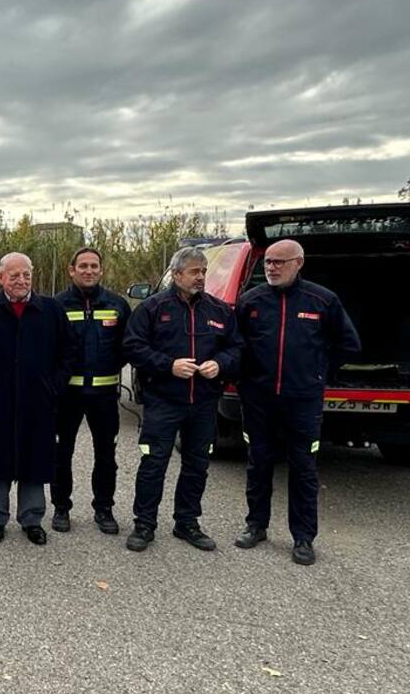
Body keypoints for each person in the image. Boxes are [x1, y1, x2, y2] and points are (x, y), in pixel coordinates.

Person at [234, 239, 360, 565]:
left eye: (279, 262)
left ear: (299, 263)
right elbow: (236, 346)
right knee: (258, 463)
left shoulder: (322, 300)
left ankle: (303, 537)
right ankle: (256, 525)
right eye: (268, 262)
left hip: (302, 401)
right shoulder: (251, 301)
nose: (272, 267)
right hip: (259, 400)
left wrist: (317, 374)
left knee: (303, 469)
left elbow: (348, 344)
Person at [123, 246, 243, 552]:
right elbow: (133, 347)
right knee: (153, 463)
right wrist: (168, 365)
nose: (200, 277)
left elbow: (237, 348)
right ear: (176, 274)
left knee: (197, 465)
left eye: (203, 271)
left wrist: (221, 364)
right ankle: (144, 524)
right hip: (163, 400)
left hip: (203, 403)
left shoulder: (218, 311)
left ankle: (187, 522)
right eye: (194, 271)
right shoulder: (152, 308)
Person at [0, 253, 73, 544]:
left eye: (26, 275)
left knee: (34, 459)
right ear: (0, 278)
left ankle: (32, 519)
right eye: (14, 276)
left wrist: (55, 384)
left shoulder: (51, 309)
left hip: (39, 399)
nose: (21, 281)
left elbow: (69, 352)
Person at [52, 247, 131, 534]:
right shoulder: (57, 305)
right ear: (71, 270)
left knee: (106, 455)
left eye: (94, 266)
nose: (89, 271)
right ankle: (61, 508)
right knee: (62, 453)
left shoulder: (117, 305)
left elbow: (127, 347)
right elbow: (51, 350)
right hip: (67, 395)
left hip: (104, 395)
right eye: (82, 266)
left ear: (101, 270)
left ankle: (104, 509)